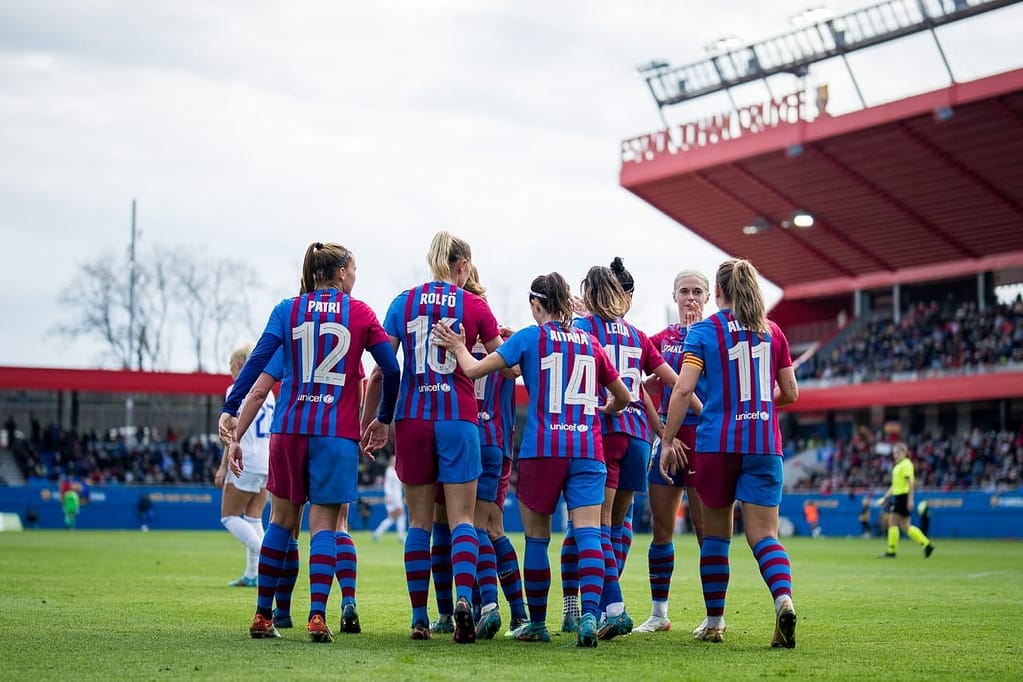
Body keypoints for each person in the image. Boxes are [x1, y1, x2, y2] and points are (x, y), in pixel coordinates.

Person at [432, 271, 632, 647]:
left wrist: (459, 345)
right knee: (589, 532)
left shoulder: (529, 337)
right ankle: (589, 615)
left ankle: (537, 623)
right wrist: (602, 408)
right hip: (588, 449)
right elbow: (622, 397)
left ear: (536, 304)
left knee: (537, 538)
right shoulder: (590, 342)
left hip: (544, 449)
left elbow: (475, 369)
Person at [220, 241, 400, 643]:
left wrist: (230, 411)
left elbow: (256, 369)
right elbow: (390, 368)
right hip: (335, 434)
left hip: (288, 432)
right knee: (325, 526)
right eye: (353, 270)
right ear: (340, 274)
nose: (356, 277)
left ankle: (263, 616)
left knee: (281, 524)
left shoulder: (287, 310)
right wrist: (382, 420)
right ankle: (317, 616)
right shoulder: (361, 313)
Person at [366, 230, 503, 644]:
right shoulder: (475, 305)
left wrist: (378, 419)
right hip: (459, 418)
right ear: (463, 266)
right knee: (463, 519)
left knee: (419, 523)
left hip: (412, 417)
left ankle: (420, 617)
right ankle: (464, 598)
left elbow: (383, 367)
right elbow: (501, 361)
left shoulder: (401, 302)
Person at [660, 258, 800, 648]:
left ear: (717, 292)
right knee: (765, 536)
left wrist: (669, 441)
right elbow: (790, 393)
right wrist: (760, 404)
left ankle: (715, 622)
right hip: (763, 444)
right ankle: (783, 600)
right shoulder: (773, 331)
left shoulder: (704, 331)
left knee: (717, 536)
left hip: (717, 444)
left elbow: (683, 391)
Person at [566, 259, 678, 641]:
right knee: (617, 525)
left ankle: (610, 608)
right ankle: (602, 608)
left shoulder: (581, 328)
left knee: (595, 526)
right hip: (639, 437)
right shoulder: (637, 334)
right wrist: (670, 426)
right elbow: (669, 382)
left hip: (604, 431)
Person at [633, 268, 709, 634]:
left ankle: (714, 615)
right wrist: (664, 432)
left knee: (704, 530)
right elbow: (638, 386)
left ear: (708, 298)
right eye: (684, 291)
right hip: (668, 440)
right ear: (674, 296)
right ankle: (659, 614)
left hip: (703, 440)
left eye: (697, 291)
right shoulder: (658, 340)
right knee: (661, 530)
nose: (690, 298)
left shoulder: (715, 337)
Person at [217, 343, 277, 588]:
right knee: (253, 518)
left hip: (246, 459)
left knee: (229, 516)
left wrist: (223, 467)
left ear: (240, 365)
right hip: (265, 461)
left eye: (231, 365)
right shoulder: (269, 391)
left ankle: (268, 559)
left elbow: (230, 432)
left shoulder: (236, 390)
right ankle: (253, 574)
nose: (230, 370)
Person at [878, 443, 934, 559]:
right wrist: (886, 497)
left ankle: (891, 551)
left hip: (903, 496)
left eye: (898, 453)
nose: (895, 455)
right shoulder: (898, 466)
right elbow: (894, 485)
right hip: (899, 496)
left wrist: (910, 500)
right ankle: (927, 545)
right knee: (906, 526)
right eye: (894, 453)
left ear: (904, 452)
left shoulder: (906, 464)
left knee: (892, 522)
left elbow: (910, 483)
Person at [372, 457, 406, 542]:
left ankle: (377, 533)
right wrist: (388, 496)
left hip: (397, 496)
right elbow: (387, 485)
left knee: (394, 517)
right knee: (399, 515)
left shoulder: (397, 471)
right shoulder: (390, 471)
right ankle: (401, 536)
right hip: (393, 497)